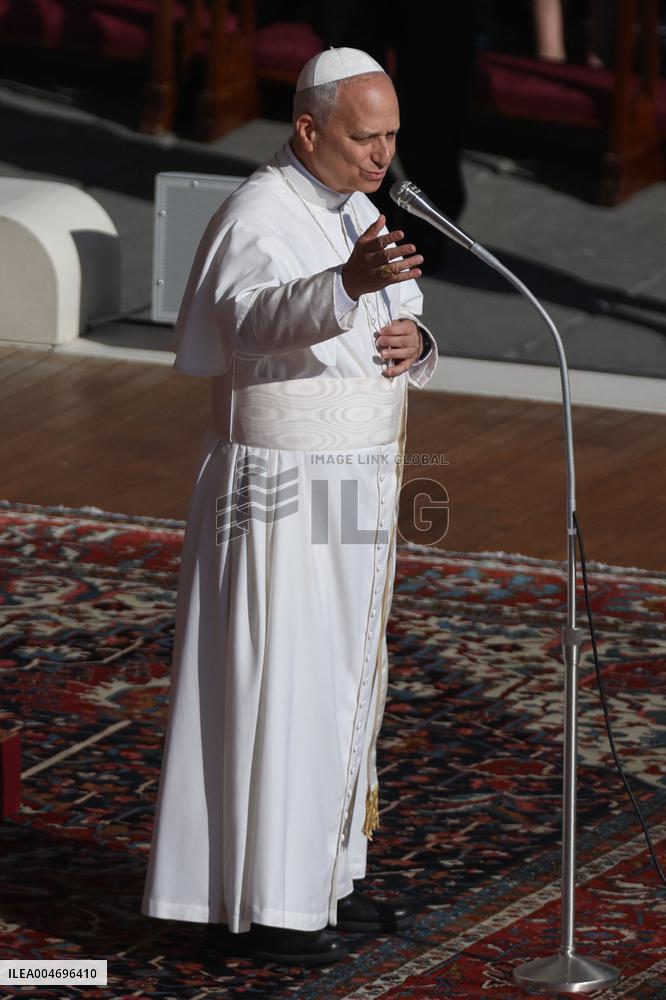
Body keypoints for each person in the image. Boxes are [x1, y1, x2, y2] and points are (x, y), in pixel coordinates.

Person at [141, 47, 438, 967]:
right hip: (278, 491)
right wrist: (342, 290)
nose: (380, 155)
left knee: (345, 683)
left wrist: (415, 337)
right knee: (283, 683)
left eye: (390, 135)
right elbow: (249, 320)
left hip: (353, 483)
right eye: (363, 137)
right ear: (309, 129)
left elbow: (403, 313)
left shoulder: (356, 207)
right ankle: (269, 903)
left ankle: (323, 880)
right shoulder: (259, 213)